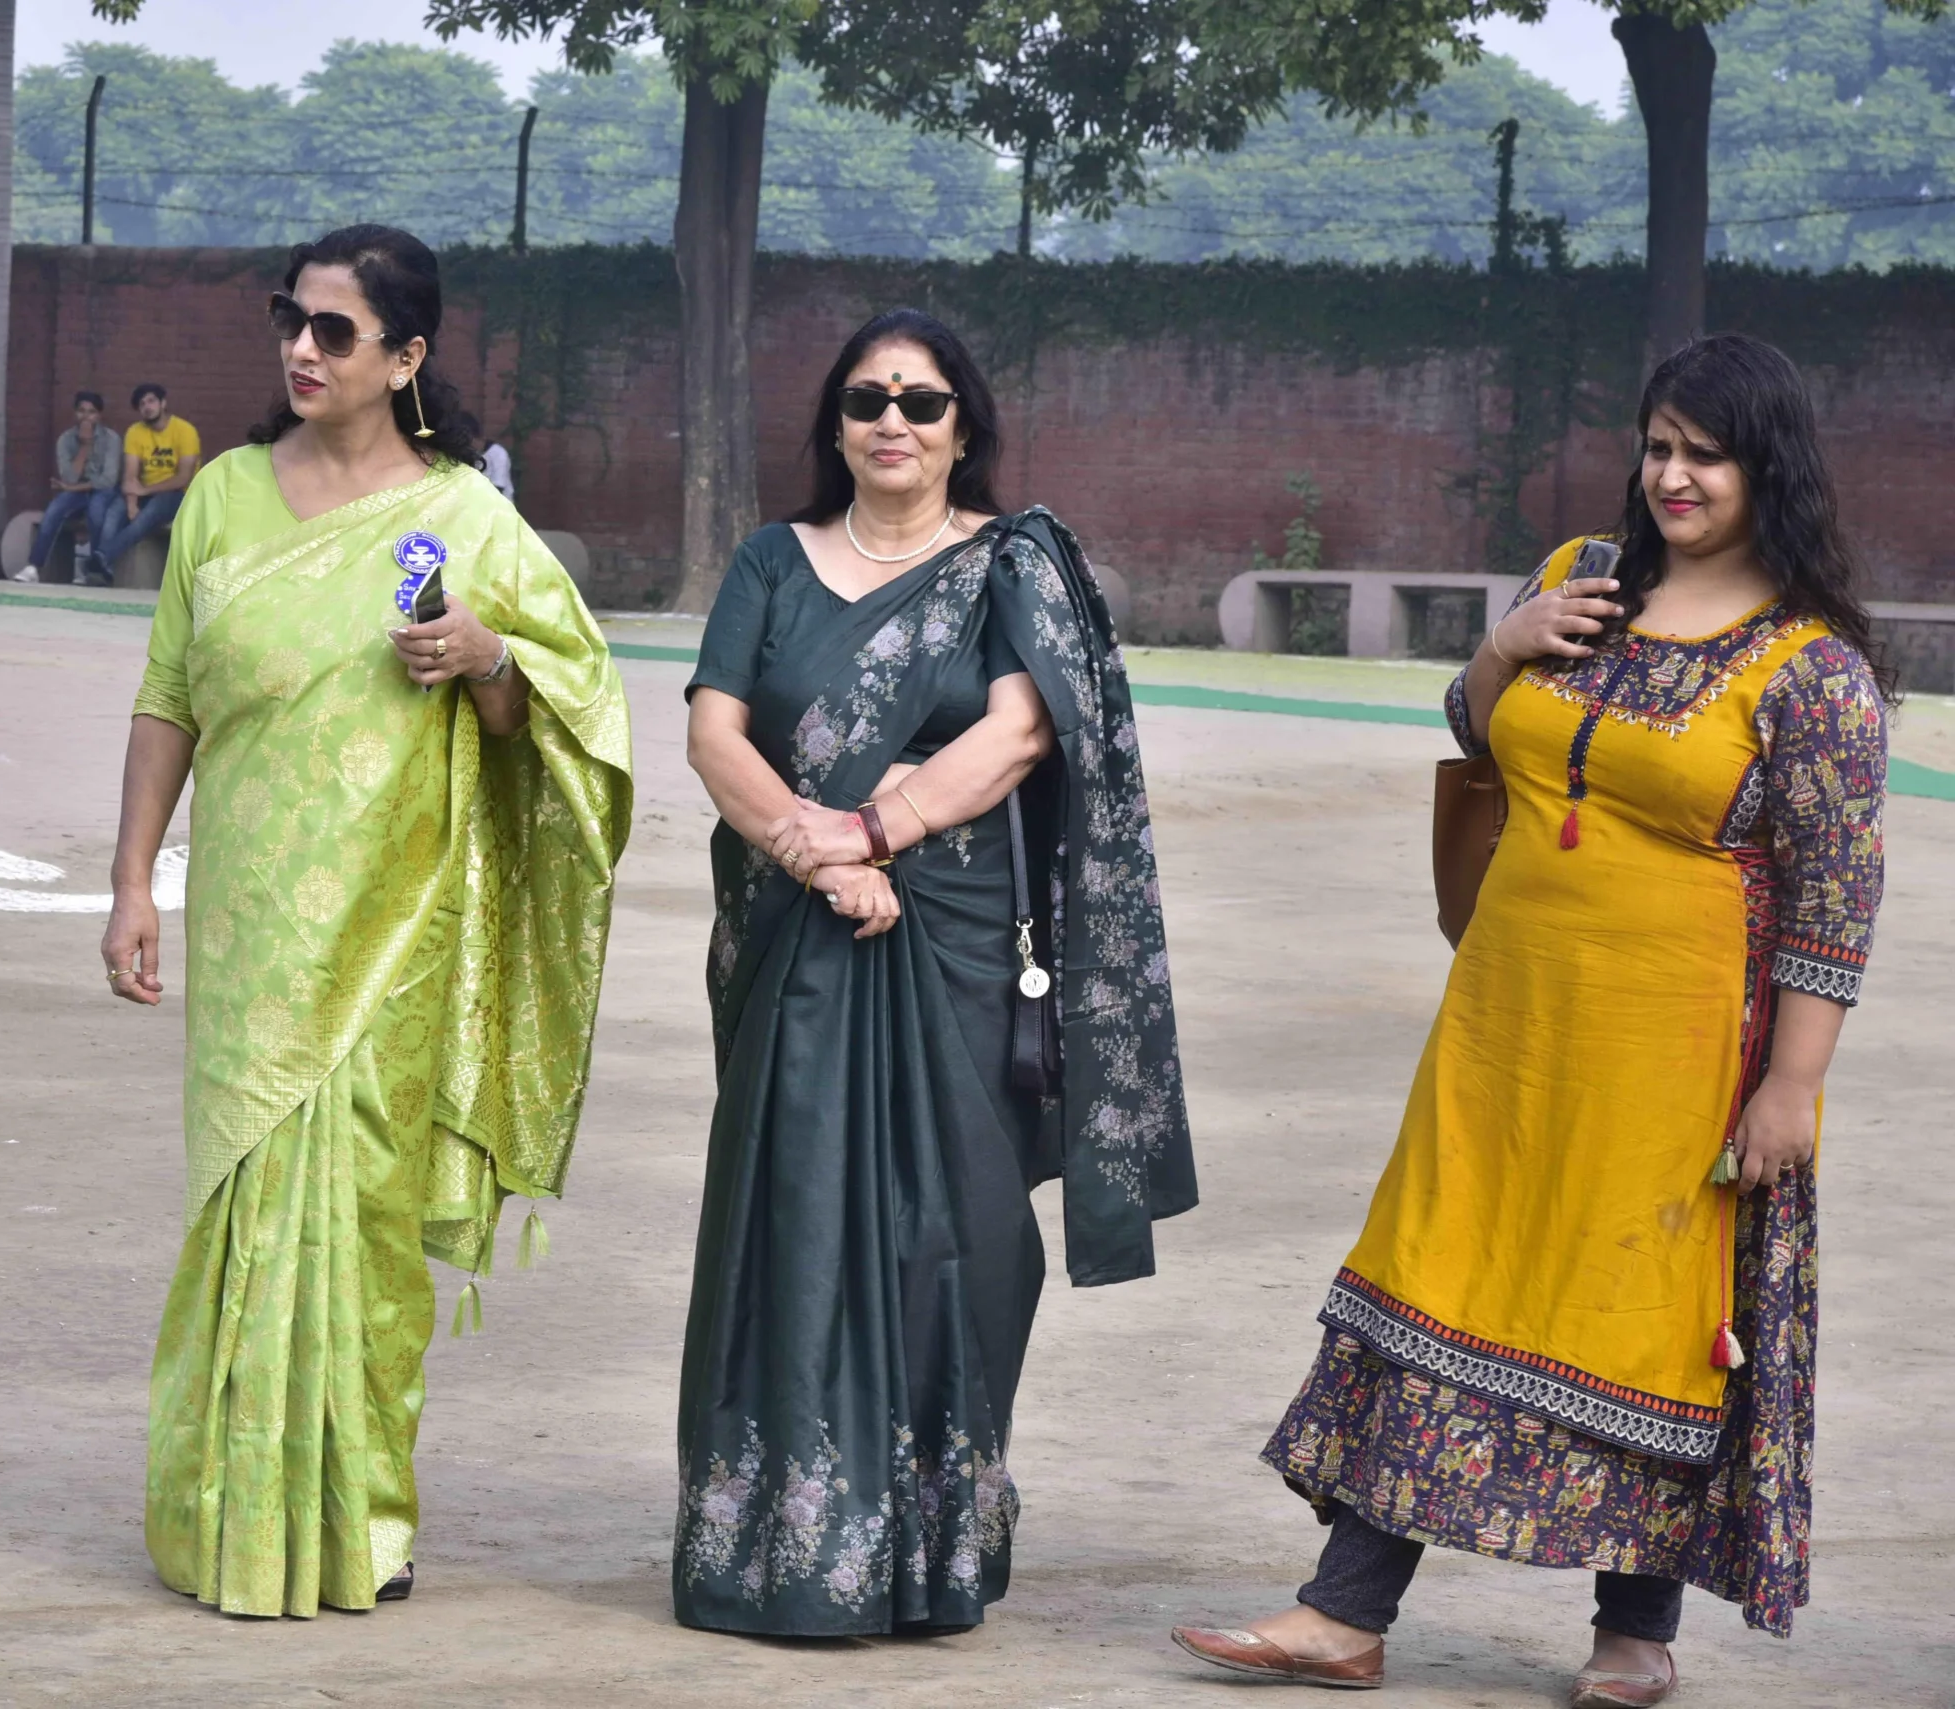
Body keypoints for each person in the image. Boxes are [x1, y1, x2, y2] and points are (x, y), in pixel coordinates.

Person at [1172, 332, 1890, 1705]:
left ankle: (1633, 1633)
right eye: (1658, 446)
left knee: (1641, 1304)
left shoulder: (1810, 670)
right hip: (1504, 1019)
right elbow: (1475, 726)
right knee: (1444, 1260)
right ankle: (1343, 1614)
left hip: (1674, 1049)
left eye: (1707, 454)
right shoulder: (1581, 579)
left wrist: (1791, 1086)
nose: (1673, 476)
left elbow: (1835, 900)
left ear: (1768, 469)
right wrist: (1505, 643)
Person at [101, 223, 632, 1619]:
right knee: (243, 1205)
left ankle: (361, 1522)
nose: (301, 347)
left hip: (395, 932)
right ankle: (226, 1517)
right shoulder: (222, 495)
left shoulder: (464, 518)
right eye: (291, 317)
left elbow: (566, 707)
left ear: (405, 357)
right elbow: (168, 698)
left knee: (365, 1222)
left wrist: (487, 656)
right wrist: (132, 880)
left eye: (334, 330)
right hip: (248, 929)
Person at [674, 308, 1194, 1637]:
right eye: (866, 400)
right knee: (795, 1220)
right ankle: (783, 1548)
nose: (892, 422)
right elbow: (716, 733)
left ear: (965, 425)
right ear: (835, 425)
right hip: (802, 936)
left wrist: (873, 829)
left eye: (920, 400)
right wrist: (814, 852)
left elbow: (1021, 733)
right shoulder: (772, 560)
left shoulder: (1011, 563)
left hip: (958, 940)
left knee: (951, 1240)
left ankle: (927, 1546)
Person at [92, 383, 201, 583]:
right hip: (143, 491)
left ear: (163, 403)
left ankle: (103, 557)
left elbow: (184, 478)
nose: (147, 407)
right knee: (114, 512)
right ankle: (104, 570)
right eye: (142, 404)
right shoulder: (135, 432)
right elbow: (130, 475)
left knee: (147, 516)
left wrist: (144, 490)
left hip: (178, 493)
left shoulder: (185, 431)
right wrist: (132, 503)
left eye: (151, 401)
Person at [12, 390, 119, 583]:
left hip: (102, 492)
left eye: (91, 412)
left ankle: (95, 571)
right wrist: (85, 446)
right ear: (75, 413)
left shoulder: (111, 439)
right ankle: (33, 566)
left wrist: (72, 488)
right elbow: (69, 478)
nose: (86, 417)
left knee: (96, 513)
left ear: (99, 416)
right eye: (81, 411)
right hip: (76, 492)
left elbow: (108, 480)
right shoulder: (66, 440)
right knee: (54, 510)